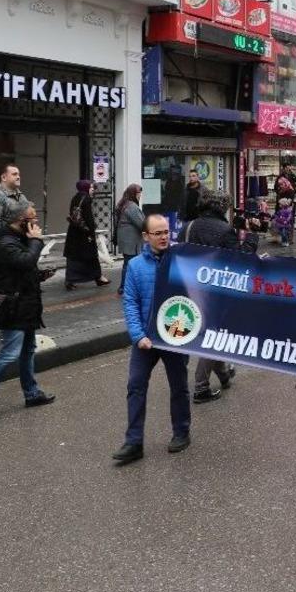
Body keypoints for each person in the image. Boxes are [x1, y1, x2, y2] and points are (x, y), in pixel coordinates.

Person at [112, 214, 191, 464]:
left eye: (166, 232)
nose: (164, 237)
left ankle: (181, 432)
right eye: (158, 233)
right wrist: (138, 336)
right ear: (146, 237)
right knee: (135, 387)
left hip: (174, 338)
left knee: (179, 387)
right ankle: (134, 442)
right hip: (146, 340)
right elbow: (130, 303)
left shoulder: (182, 261)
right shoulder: (135, 266)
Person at [0, 201, 56, 421]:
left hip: (26, 306)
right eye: (33, 219)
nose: (36, 223)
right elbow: (25, 260)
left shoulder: (18, 239)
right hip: (13, 308)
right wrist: (37, 241)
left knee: (28, 350)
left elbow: (23, 269)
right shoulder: (4, 242)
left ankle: (31, 393)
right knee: (10, 353)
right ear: (21, 221)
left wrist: (40, 275)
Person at [178, 189, 259, 402]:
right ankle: (201, 387)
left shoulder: (188, 227)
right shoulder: (225, 230)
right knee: (212, 336)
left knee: (213, 333)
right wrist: (251, 236)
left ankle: (223, 374)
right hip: (215, 292)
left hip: (188, 287)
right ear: (222, 207)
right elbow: (242, 259)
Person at [64, 180, 110, 290]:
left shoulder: (75, 197)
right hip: (84, 234)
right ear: (86, 188)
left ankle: (70, 280)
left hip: (74, 232)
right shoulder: (86, 199)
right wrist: (91, 231)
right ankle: (98, 278)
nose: (93, 189)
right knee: (92, 257)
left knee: (74, 258)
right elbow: (88, 217)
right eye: (91, 187)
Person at [0, 163, 29, 239]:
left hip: (23, 242)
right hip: (5, 244)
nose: (18, 177)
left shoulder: (22, 197)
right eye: (14, 174)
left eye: (18, 175)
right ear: (4, 177)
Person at [114, 183, 144, 296]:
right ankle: (124, 288)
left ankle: (125, 287)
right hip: (131, 242)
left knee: (128, 264)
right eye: (138, 193)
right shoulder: (132, 207)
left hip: (127, 240)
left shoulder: (125, 204)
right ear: (133, 193)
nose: (140, 195)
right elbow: (141, 223)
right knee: (130, 265)